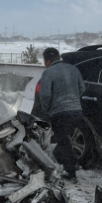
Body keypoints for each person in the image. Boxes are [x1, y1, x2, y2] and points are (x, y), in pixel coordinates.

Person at [37, 47, 85, 182]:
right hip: (77, 112)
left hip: (60, 113)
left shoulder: (48, 72)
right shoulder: (73, 69)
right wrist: (73, 100)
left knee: (62, 142)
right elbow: (82, 88)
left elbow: (45, 95)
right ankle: (74, 162)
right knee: (64, 140)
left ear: (47, 60)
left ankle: (71, 173)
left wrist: (47, 109)